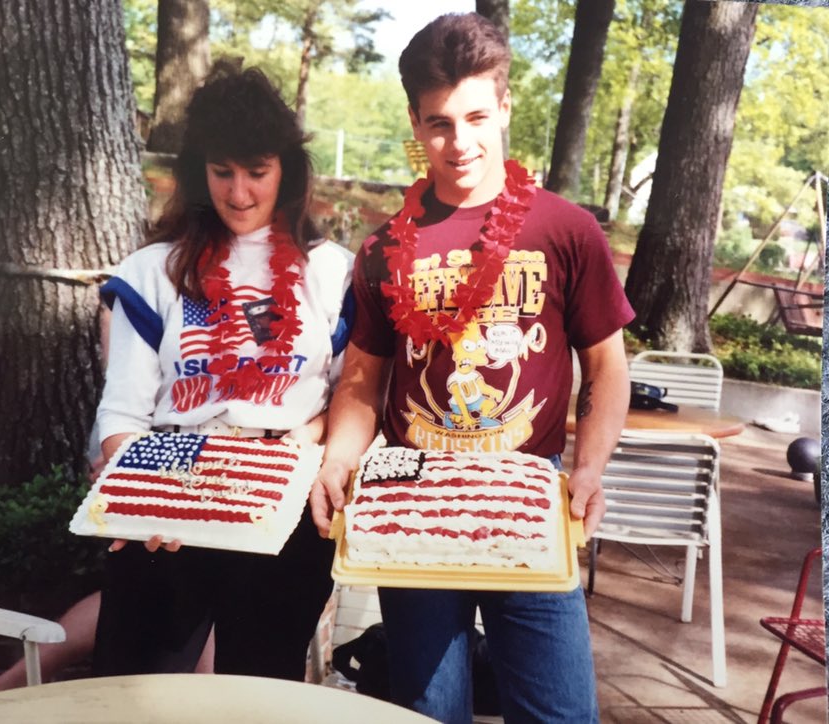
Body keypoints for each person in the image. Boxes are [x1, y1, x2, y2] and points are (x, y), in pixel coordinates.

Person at [310, 13, 633, 724]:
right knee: (428, 710)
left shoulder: (564, 229)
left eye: (477, 116)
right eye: (438, 123)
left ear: (506, 106)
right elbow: (364, 375)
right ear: (414, 119)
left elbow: (607, 367)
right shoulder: (383, 247)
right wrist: (337, 460)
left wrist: (588, 468)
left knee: (559, 712)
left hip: (530, 497)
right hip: (415, 497)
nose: (459, 143)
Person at [91, 62, 353, 681]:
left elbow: (354, 395)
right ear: (196, 172)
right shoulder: (154, 271)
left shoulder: (334, 271)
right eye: (222, 172)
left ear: (286, 170)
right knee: (133, 694)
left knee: (257, 697)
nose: (239, 193)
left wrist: (307, 438)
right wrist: (145, 502)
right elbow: (123, 408)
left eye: (257, 172)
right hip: (170, 490)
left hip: (281, 500)